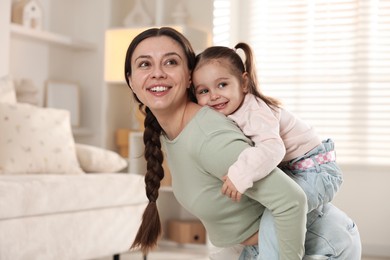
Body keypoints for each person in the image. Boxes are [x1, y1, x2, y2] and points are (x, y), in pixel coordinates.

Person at [124, 27, 361, 259]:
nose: (157, 73)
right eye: (145, 64)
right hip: (260, 247)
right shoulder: (173, 132)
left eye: (170, 62)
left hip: (320, 246)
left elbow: (291, 201)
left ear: (188, 75)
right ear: (131, 80)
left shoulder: (209, 136)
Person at [192, 43, 343, 214]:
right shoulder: (227, 113)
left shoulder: (253, 111)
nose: (213, 95)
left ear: (244, 83)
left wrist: (240, 174)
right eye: (204, 91)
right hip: (294, 169)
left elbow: (272, 148)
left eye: (222, 85)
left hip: (313, 170)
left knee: (280, 216)